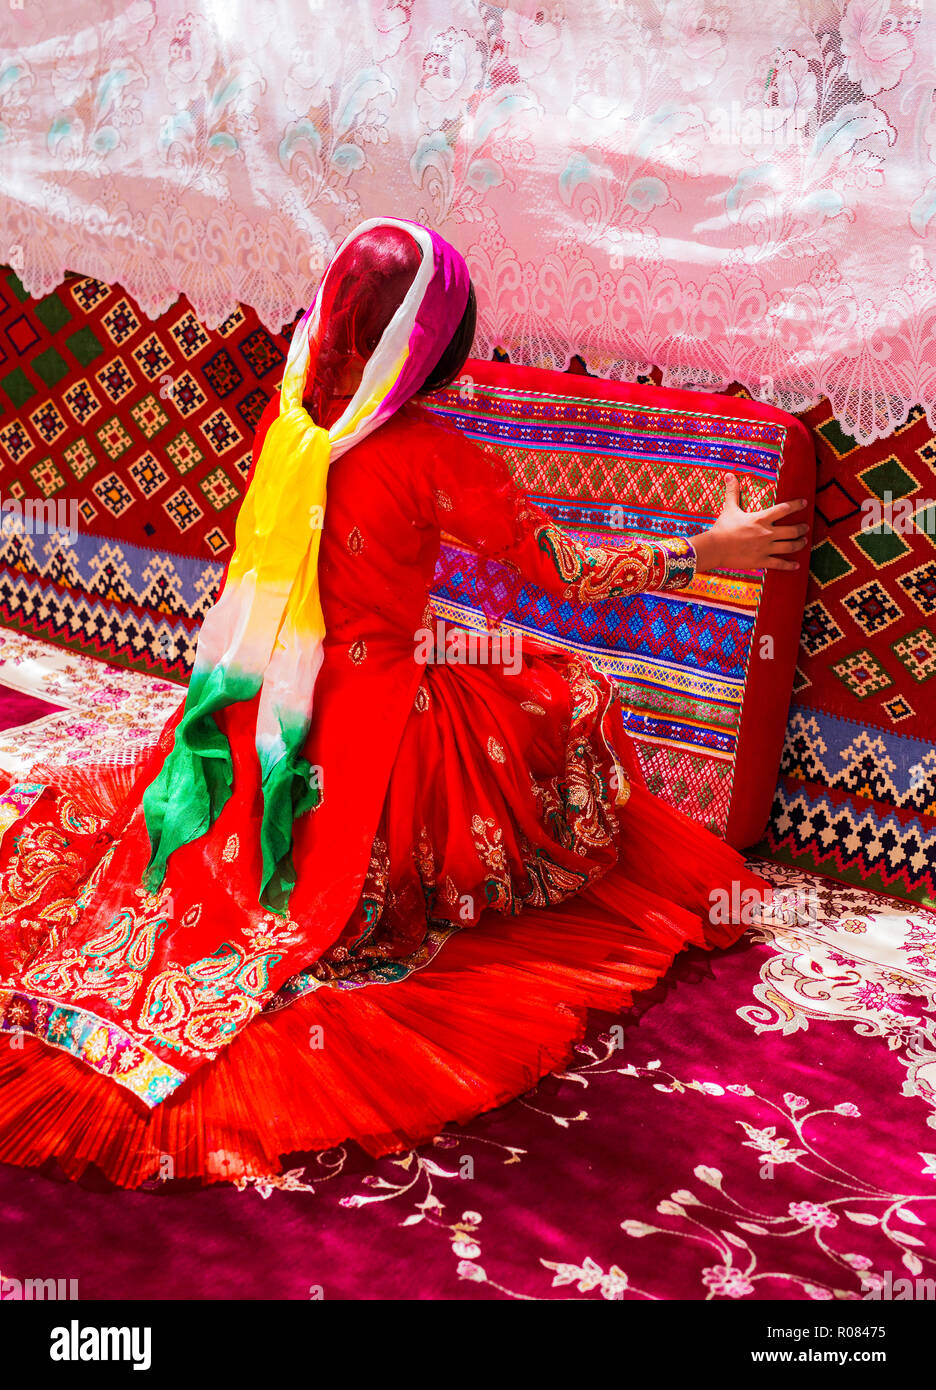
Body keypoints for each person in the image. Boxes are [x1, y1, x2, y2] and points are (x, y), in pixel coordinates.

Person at [0, 218, 808, 1186]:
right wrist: (701, 553)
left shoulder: (292, 419)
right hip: (379, 707)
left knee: (476, 678)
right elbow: (573, 578)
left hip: (257, 699)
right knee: (566, 689)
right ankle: (456, 877)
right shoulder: (433, 454)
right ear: (441, 346)